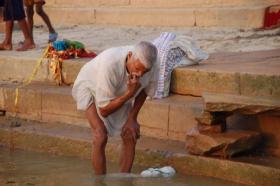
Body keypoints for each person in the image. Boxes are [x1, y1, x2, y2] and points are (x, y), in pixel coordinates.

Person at [72, 41, 158, 175]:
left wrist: (132, 118)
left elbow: (145, 90)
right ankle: (100, 182)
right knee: (100, 134)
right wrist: (129, 94)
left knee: (131, 133)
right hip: (89, 86)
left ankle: (124, 180)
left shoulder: (152, 65)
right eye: (137, 68)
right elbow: (104, 110)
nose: (140, 74)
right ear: (129, 56)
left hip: (119, 93)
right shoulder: (110, 63)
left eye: (144, 71)